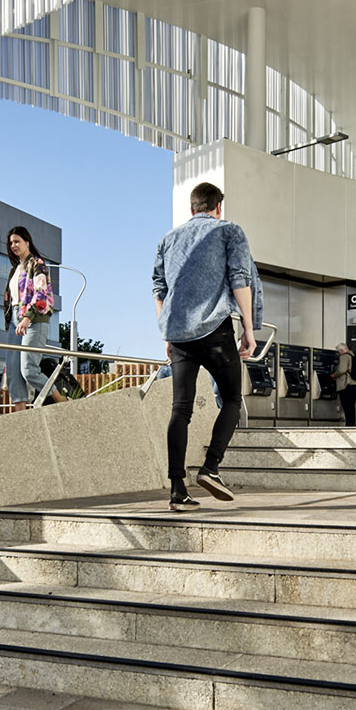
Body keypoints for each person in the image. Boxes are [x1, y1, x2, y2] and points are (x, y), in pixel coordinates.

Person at [152, 181, 256, 511]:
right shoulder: (230, 231)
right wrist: (249, 329)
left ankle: (177, 490)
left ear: (192, 208)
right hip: (214, 331)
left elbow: (159, 289)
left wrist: (167, 333)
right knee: (231, 400)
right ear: (218, 207)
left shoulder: (168, 239)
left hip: (179, 335)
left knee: (180, 410)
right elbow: (240, 279)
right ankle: (211, 467)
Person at [2, 227, 62, 408]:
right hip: (14, 320)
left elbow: (41, 293)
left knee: (28, 370)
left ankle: (64, 405)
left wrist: (28, 317)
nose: (13, 245)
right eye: (11, 243)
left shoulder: (37, 263)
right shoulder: (15, 270)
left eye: (17, 241)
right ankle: (22, 421)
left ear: (27, 242)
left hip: (34, 319)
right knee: (13, 373)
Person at [334, 342, 356, 428]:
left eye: (339, 352)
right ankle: (352, 424)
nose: (339, 353)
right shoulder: (355, 356)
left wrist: (334, 375)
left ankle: (350, 425)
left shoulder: (344, 356)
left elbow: (342, 370)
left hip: (346, 384)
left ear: (341, 350)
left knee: (347, 406)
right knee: (351, 405)